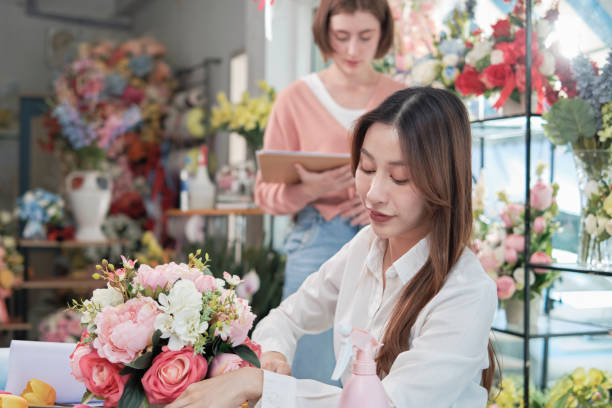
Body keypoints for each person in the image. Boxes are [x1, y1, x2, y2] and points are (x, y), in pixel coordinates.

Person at [166, 87, 498, 408]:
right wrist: (273, 355)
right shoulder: (367, 245)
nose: (373, 193)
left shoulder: (466, 292)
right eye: (367, 169)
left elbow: (389, 405)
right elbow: (288, 317)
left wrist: (261, 384)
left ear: (443, 182)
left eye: (399, 177)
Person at [253, 0, 404, 383]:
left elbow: (424, 175)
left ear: (382, 35)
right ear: (325, 34)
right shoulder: (295, 99)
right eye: (341, 36)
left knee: (388, 364)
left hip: (393, 239)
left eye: (365, 37)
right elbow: (265, 193)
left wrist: (376, 194)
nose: (352, 49)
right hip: (317, 235)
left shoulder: (403, 99)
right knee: (311, 370)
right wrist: (309, 190)